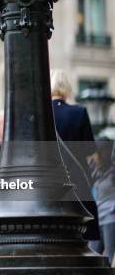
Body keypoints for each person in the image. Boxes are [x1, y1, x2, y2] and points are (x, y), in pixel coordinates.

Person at [50, 69, 100, 243]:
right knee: (79, 234)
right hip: (76, 182)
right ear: (67, 88)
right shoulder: (79, 112)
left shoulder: (41, 115)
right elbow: (92, 155)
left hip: (48, 184)